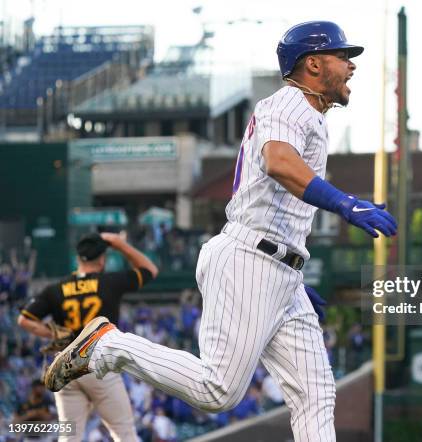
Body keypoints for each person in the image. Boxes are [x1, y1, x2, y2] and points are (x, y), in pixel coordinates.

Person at [44, 21, 397, 442]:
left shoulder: (310, 114)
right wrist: (343, 202)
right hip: (252, 259)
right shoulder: (289, 104)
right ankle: (108, 346)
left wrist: (292, 274)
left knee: (317, 393)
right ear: (314, 64)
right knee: (218, 391)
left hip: (277, 266)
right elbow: (280, 163)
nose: (351, 66)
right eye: (344, 57)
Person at [17, 232, 158, 441]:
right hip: (98, 362)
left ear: (78, 259)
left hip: (65, 365)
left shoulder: (56, 289)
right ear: (102, 259)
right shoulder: (109, 282)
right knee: (124, 433)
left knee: (69, 436)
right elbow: (150, 270)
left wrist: (53, 332)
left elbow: (24, 320)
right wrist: (120, 245)